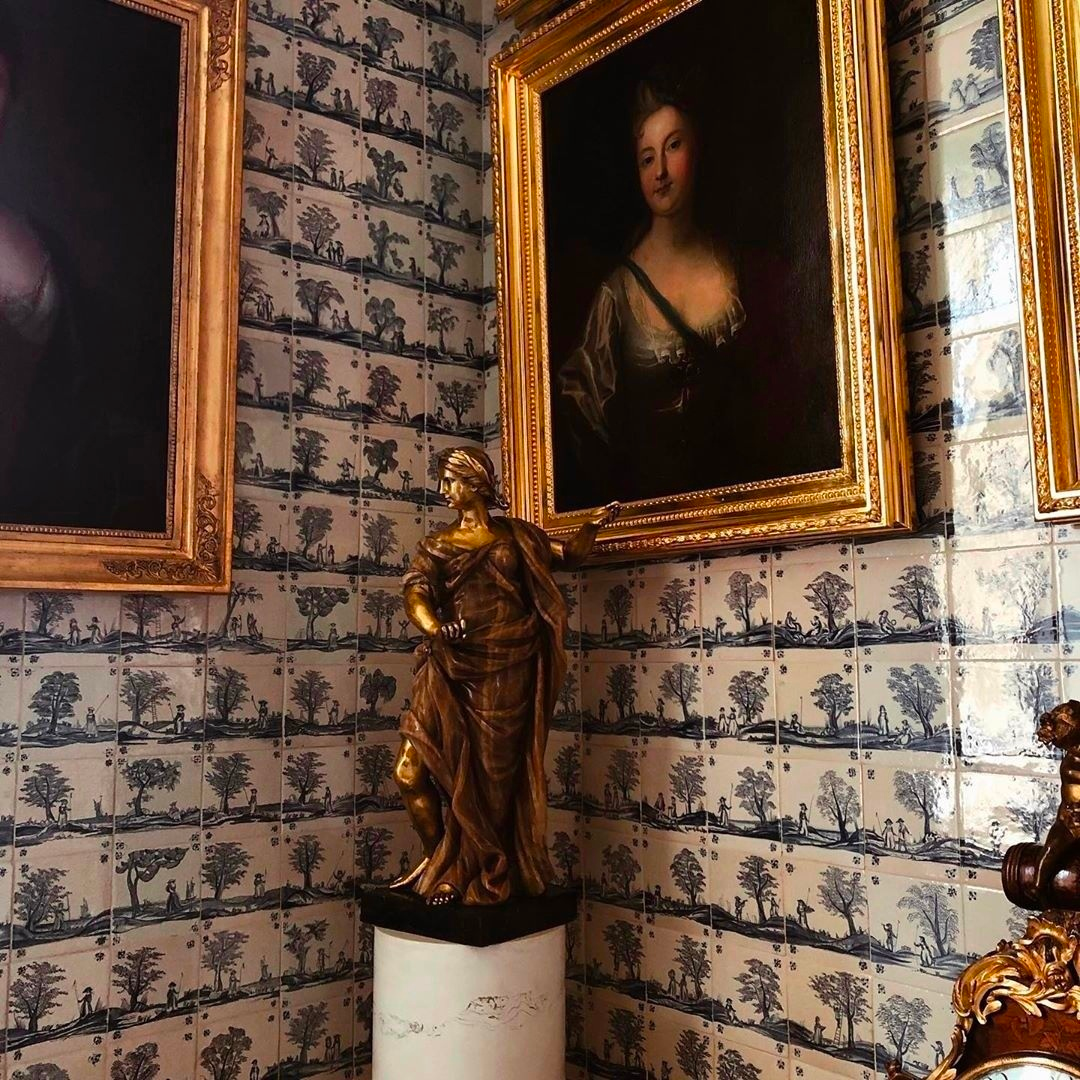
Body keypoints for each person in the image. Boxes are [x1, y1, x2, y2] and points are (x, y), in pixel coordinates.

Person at [390, 446, 618, 905]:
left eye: (451, 480)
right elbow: (416, 594)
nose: (443, 490)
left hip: (509, 666)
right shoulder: (437, 545)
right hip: (449, 664)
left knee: (494, 782)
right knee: (409, 772)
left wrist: (591, 527)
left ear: (476, 482)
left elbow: (567, 556)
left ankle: (468, 871)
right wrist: (435, 628)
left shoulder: (519, 536)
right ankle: (442, 860)